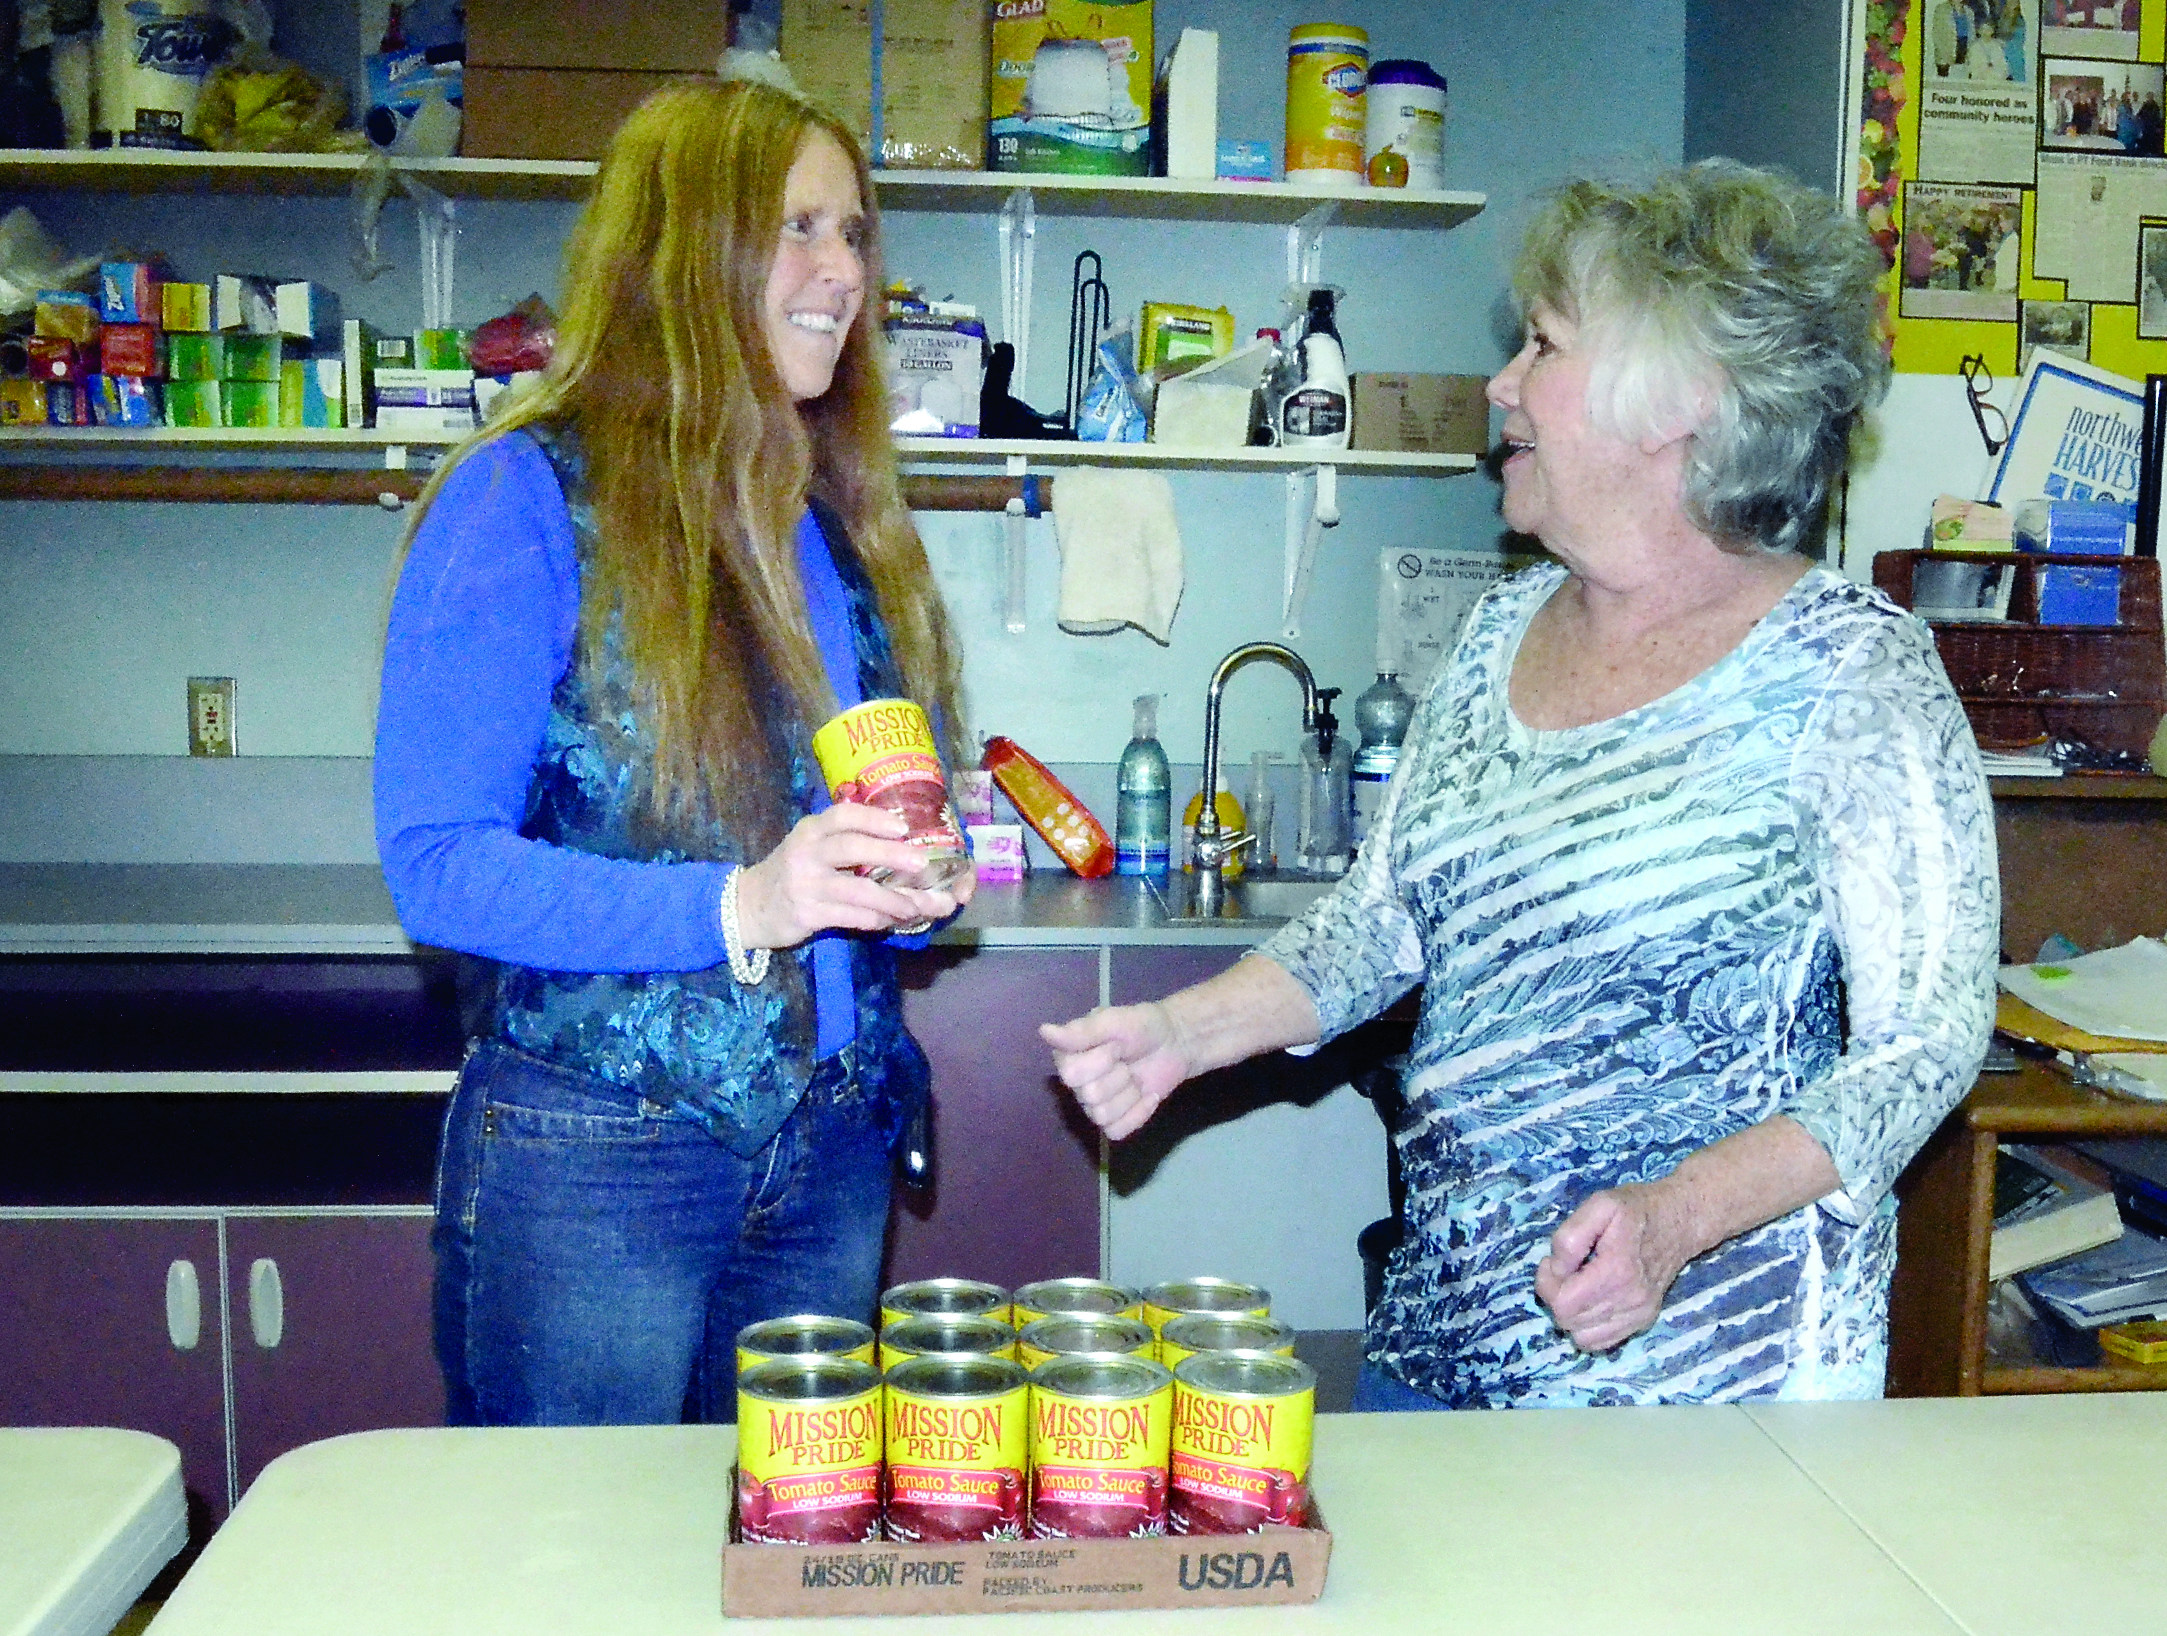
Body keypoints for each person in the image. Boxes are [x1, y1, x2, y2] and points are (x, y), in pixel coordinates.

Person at [1043, 160, 1998, 1410]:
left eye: (1542, 344)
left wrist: (1670, 1220)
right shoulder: (1498, 634)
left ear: (1678, 399)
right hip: (1445, 1341)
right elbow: (1378, 923)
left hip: (1712, 1386)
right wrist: (1182, 1033)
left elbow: (1925, 1044)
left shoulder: (1854, 671)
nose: (1501, 383)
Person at [375, 64, 972, 1426]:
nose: (842, 271)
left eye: (855, 233)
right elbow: (436, 866)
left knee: (783, 1566)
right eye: (797, 228)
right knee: (573, 1579)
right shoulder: (521, 498)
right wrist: (745, 903)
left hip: (826, 1144)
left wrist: (917, 882)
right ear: (686, 256)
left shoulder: (834, 527)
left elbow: (874, 818)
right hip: (597, 1154)